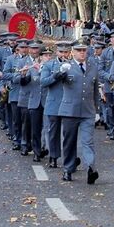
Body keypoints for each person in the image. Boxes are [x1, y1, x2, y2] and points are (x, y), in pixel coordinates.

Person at [58, 40, 100, 184]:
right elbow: (54, 80)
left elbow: (95, 92)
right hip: (70, 111)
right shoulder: (67, 66)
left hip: (88, 111)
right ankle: (68, 169)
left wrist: (97, 110)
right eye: (79, 50)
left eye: (84, 50)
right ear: (73, 52)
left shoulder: (93, 68)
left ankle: (91, 168)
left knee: (88, 141)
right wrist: (60, 72)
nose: (82, 53)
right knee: (69, 142)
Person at [40, 41, 72, 169]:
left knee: (69, 133)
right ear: (57, 52)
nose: (63, 54)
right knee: (53, 132)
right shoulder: (49, 65)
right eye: (61, 52)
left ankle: (70, 158)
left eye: (66, 52)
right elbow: (43, 82)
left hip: (69, 103)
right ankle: (53, 156)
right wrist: (56, 76)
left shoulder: (73, 65)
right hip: (54, 103)